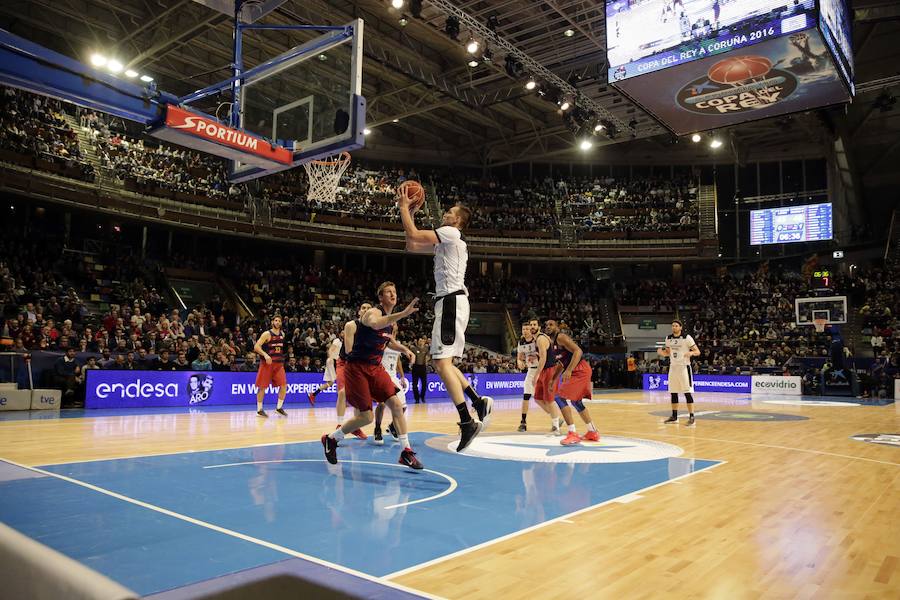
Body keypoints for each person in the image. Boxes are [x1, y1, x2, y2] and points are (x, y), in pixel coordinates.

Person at [398, 182, 492, 452]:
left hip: (450, 300)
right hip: (450, 301)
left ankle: (467, 421)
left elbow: (414, 233)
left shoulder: (451, 233)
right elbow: (412, 244)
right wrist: (411, 213)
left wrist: (405, 208)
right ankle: (477, 401)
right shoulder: (447, 241)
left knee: (440, 363)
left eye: (450, 212)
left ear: (458, 220)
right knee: (445, 363)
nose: (446, 214)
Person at [321, 282, 421, 469]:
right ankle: (331, 439)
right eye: (388, 292)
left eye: (395, 292)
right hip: (357, 368)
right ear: (380, 298)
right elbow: (376, 325)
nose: (393, 295)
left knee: (397, 406)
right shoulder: (373, 313)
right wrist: (403, 313)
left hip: (376, 368)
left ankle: (406, 452)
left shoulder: (390, 324)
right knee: (366, 417)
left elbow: (389, 342)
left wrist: (406, 350)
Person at [543, 319, 600, 445]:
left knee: (559, 397)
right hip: (578, 369)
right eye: (546, 325)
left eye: (551, 324)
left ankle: (572, 433)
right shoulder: (552, 343)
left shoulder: (561, 337)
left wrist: (569, 370)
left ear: (557, 327)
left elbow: (578, 351)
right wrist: (553, 379)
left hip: (580, 369)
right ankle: (592, 431)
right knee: (576, 402)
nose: (548, 326)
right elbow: (561, 363)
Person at [373, 327, 412, 445]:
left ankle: (392, 426)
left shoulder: (398, 344)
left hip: (393, 377)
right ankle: (377, 429)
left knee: (403, 407)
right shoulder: (382, 340)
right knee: (382, 403)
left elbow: (398, 361)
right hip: (382, 375)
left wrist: (402, 376)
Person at [658, 319, 700, 425]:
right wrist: (662, 353)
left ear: (680, 327)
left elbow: (697, 351)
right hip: (673, 367)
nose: (674, 327)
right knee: (673, 392)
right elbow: (668, 353)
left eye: (676, 326)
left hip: (684, 367)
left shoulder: (687, 338)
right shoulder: (668, 338)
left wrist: (691, 353)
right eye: (673, 326)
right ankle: (674, 416)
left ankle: (692, 417)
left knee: (687, 392)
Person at [253, 315, 288, 417]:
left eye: (279, 321)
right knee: (262, 387)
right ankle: (259, 410)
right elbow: (256, 346)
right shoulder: (267, 334)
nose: (277, 322)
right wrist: (265, 355)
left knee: (284, 386)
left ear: (281, 323)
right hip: (267, 364)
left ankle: (279, 408)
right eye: (275, 320)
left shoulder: (283, 334)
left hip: (279, 365)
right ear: (272, 322)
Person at [516, 322, 541, 432]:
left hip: (541, 370)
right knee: (526, 396)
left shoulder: (538, 340)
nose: (525, 331)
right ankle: (523, 422)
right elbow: (520, 357)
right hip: (531, 371)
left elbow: (545, 355)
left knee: (545, 399)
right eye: (523, 329)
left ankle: (556, 419)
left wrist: (535, 355)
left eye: (527, 329)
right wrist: (519, 362)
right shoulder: (521, 342)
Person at [308, 333, 343, 405]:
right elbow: (331, 349)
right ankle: (341, 401)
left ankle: (313, 394)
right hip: (332, 361)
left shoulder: (344, 343)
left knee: (330, 383)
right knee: (339, 380)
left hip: (335, 362)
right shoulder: (337, 340)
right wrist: (330, 357)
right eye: (343, 332)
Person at [410, 337, 429, 403]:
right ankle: (417, 398)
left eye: (422, 341)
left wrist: (427, 361)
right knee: (414, 385)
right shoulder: (413, 349)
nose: (421, 342)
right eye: (420, 341)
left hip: (423, 368)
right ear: (417, 342)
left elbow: (428, 357)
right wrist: (411, 363)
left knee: (424, 384)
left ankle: (422, 397)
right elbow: (409, 356)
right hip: (415, 367)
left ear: (424, 342)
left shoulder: (426, 349)